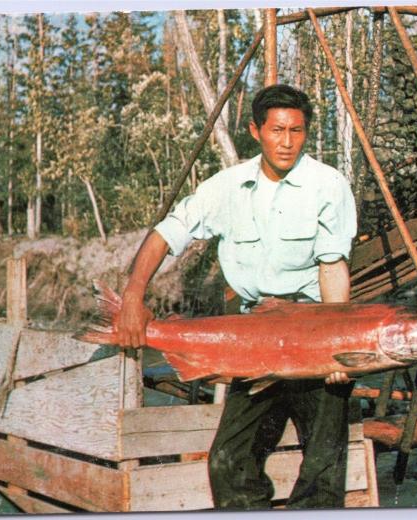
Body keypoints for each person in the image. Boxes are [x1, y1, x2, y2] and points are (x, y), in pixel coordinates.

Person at [116, 84, 358, 509]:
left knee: (324, 465)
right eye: (277, 130)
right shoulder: (225, 188)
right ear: (255, 130)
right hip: (251, 336)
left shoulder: (328, 185)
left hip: (311, 326)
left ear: (307, 133)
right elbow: (164, 235)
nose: (286, 142)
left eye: (297, 131)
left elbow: (332, 265)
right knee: (228, 460)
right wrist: (134, 298)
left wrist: (337, 349)